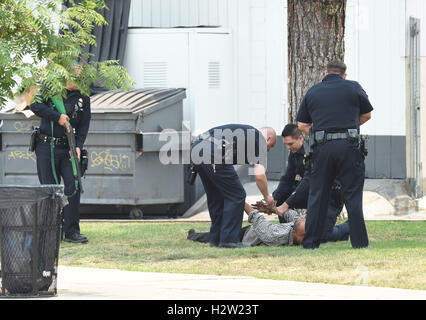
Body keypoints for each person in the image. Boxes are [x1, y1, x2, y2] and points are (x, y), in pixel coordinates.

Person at [296, 60, 373, 249]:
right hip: (349, 147)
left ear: (325, 73)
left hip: (322, 150)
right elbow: (367, 115)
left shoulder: (313, 91)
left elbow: (301, 126)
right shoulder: (353, 87)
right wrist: (349, 127)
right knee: (352, 197)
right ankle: (360, 244)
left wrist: (320, 133)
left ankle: (310, 243)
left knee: (317, 196)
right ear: (344, 75)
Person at [191, 124, 277, 248]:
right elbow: (259, 174)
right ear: (268, 139)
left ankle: (216, 239)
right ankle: (229, 241)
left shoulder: (246, 136)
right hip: (213, 152)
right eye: (271, 146)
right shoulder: (258, 138)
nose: (268, 150)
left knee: (217, 195)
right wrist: (267, 196)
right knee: (237, 195)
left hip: (197, 149)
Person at [30, 80, 91, 243]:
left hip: (68, 148)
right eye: (76, 79)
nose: (80, 82)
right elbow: (34, 105)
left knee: (74, 186)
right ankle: (51, 231)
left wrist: (78, 146)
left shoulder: (83, 97)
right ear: (66, 77)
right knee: (50, 189)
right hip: (46, 146)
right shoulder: (50, 88)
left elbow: (84, 125)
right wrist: (57, 117)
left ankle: (71, 232)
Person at [187, 203, 350, 247]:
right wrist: (272, 208)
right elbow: (291, 215)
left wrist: (241, 200)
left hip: (248, 236)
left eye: (300, 222)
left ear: (295, 234)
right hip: (253, 231)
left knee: (216, 235)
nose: (300, 219)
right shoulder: (302, 230)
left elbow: (259, 222)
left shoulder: (275, 236)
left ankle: (194, 237)